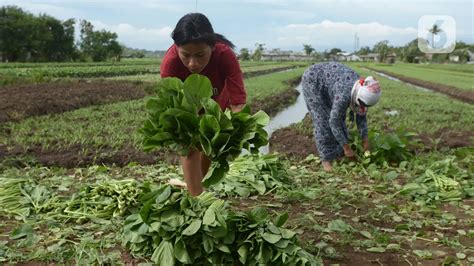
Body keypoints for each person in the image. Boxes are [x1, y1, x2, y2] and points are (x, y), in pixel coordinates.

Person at [160, 13, 247, 196]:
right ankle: (196, 198)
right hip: (187, 110)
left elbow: (238, 102)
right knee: (189, 147)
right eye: (186, 55)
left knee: (209, 147)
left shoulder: (225, 55)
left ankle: (197, 187)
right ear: (177, 48)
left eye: (200, 55)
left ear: (213, 46)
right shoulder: (171, 64)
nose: (193, 64)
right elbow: (174, 106)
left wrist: (237, 131)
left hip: (215, 108)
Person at [301, 62, 381, 172]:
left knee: (339, 115)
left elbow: (361, 116)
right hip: (313, 80)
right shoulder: (345, 95)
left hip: (331, 83)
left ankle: (338, 151)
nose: (363, 107)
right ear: (357, 97)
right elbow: (334, 121)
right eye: (361, 104)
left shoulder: (363, 89)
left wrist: (365, 141)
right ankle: (326, 159)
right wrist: (347, 148)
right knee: (322, 120)